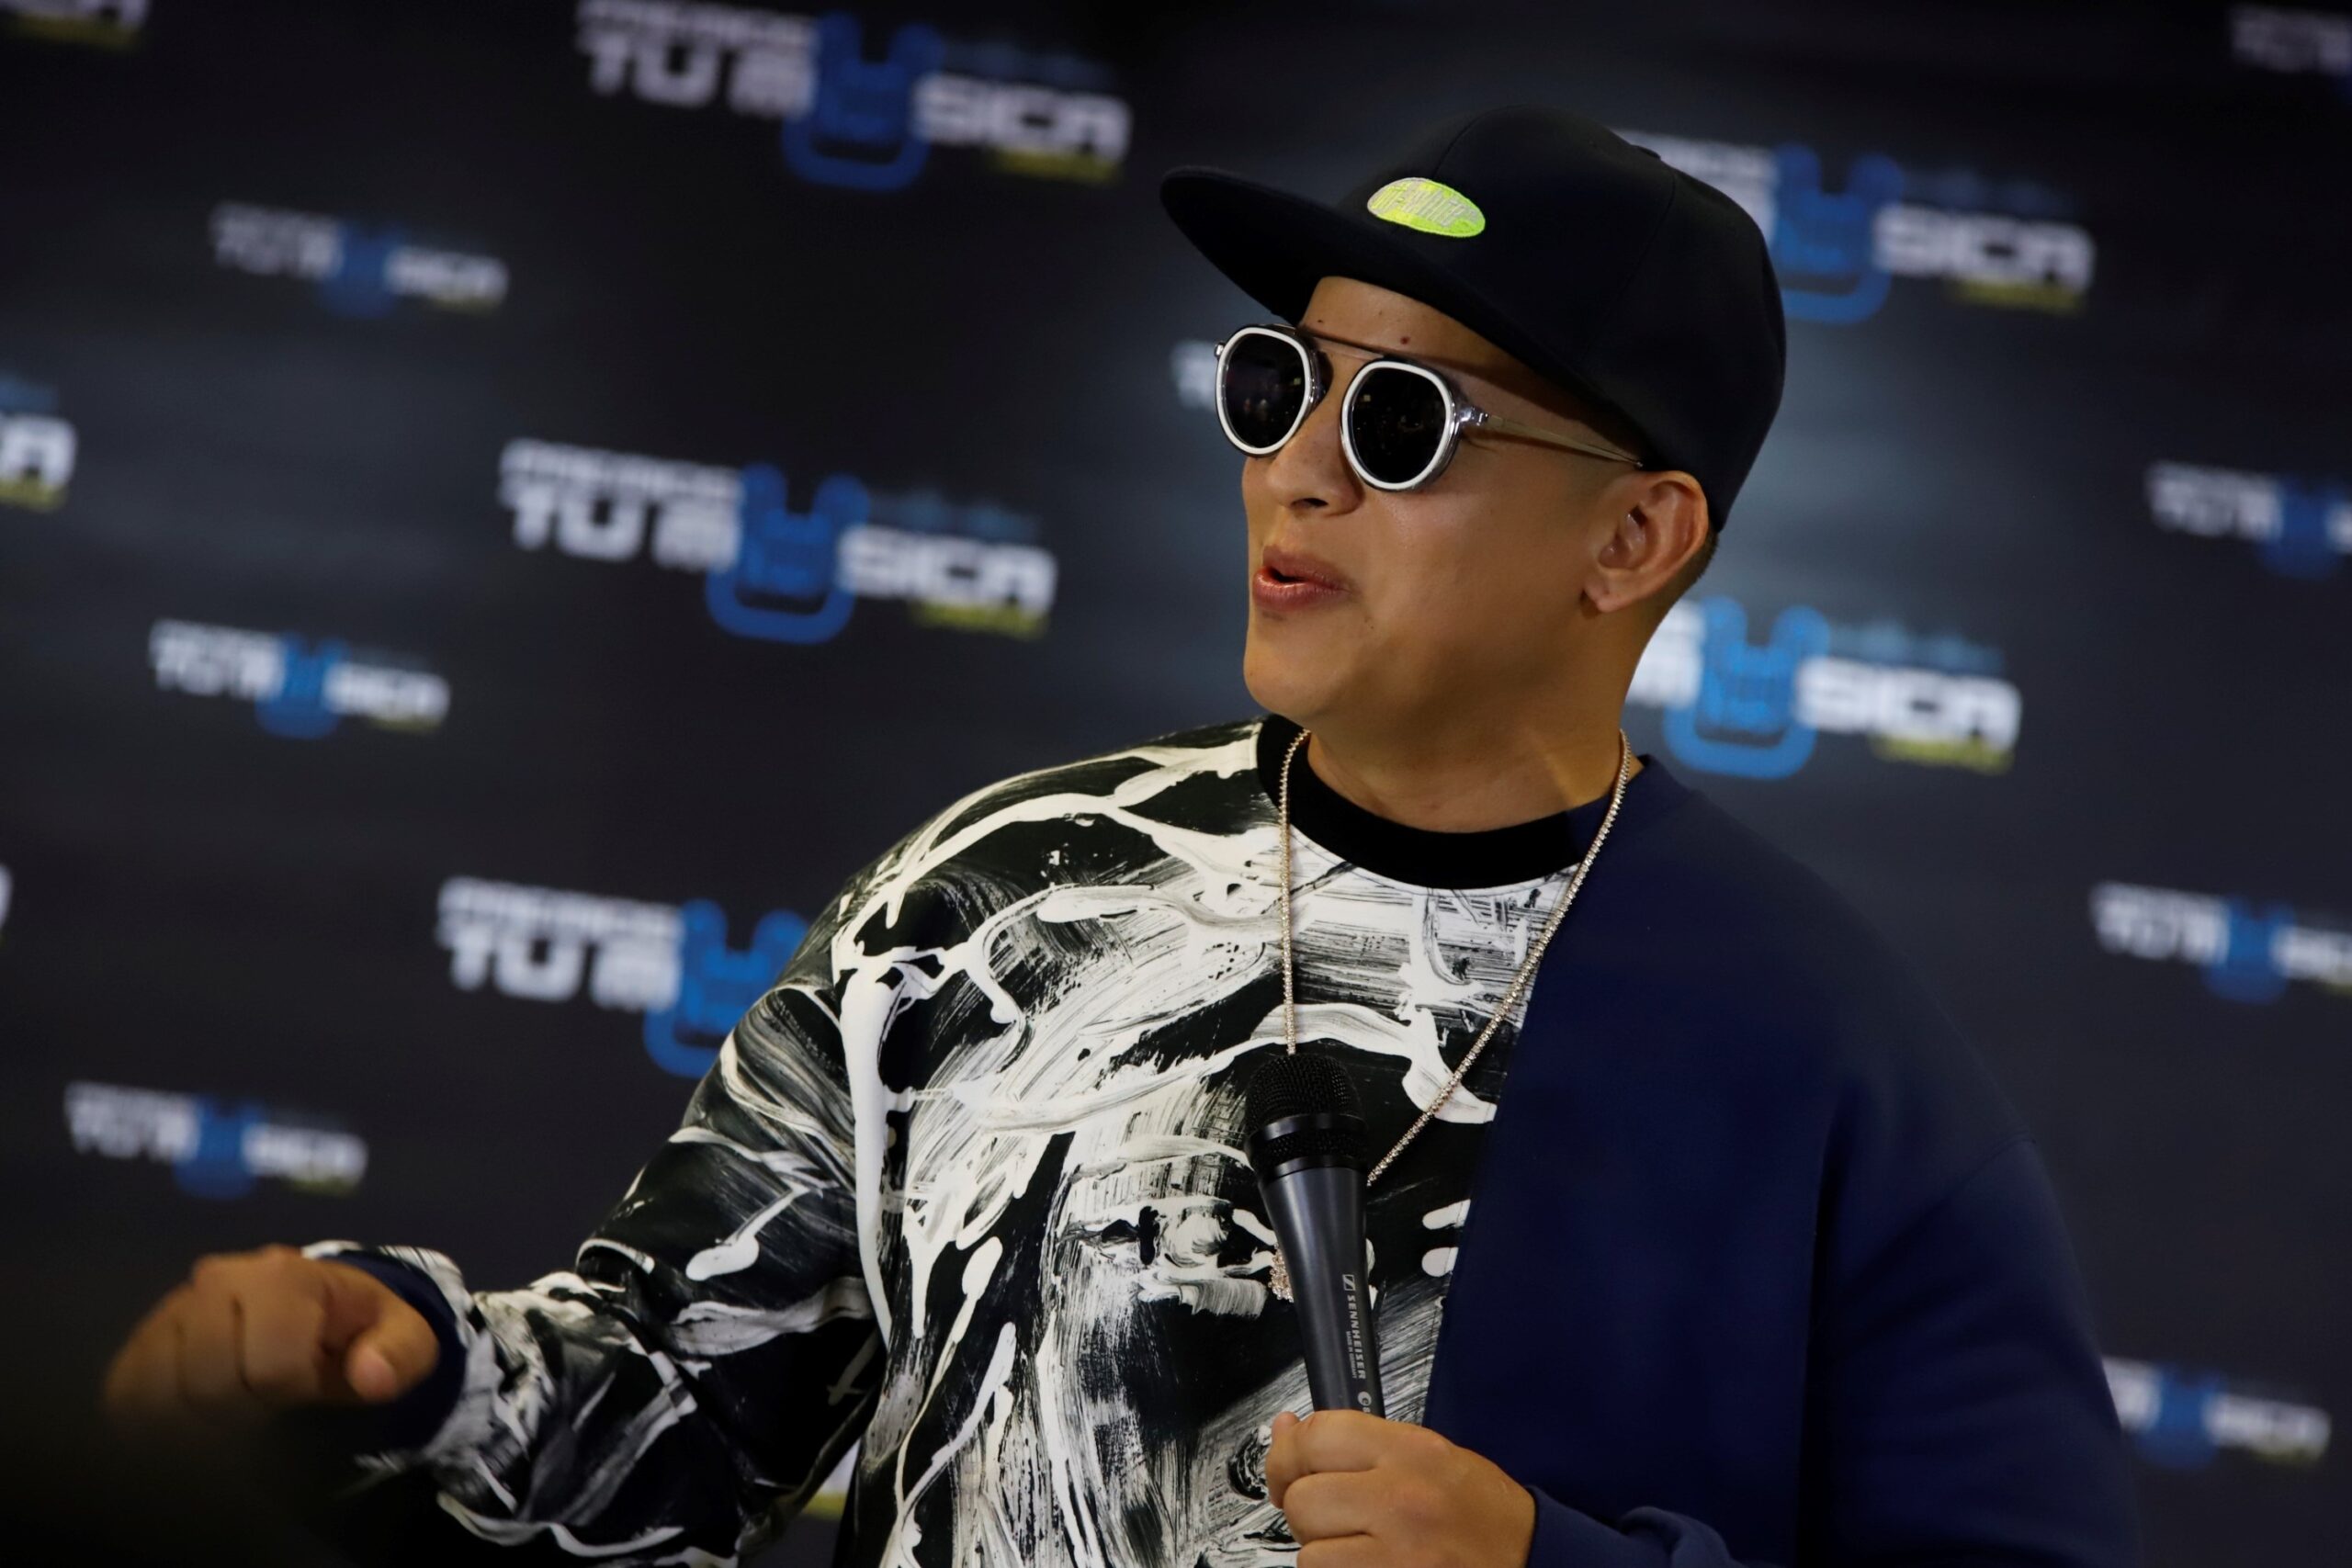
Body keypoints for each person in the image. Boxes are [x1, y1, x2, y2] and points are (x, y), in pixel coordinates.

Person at [100, 106, 2138, 1568]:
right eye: (1279, 384)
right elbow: (669, 1419)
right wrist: (411, 1362)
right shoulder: (1001, 896)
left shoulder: (1826, 1062)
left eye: (1401, 421)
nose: (1297, 472)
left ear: (1633, 537)